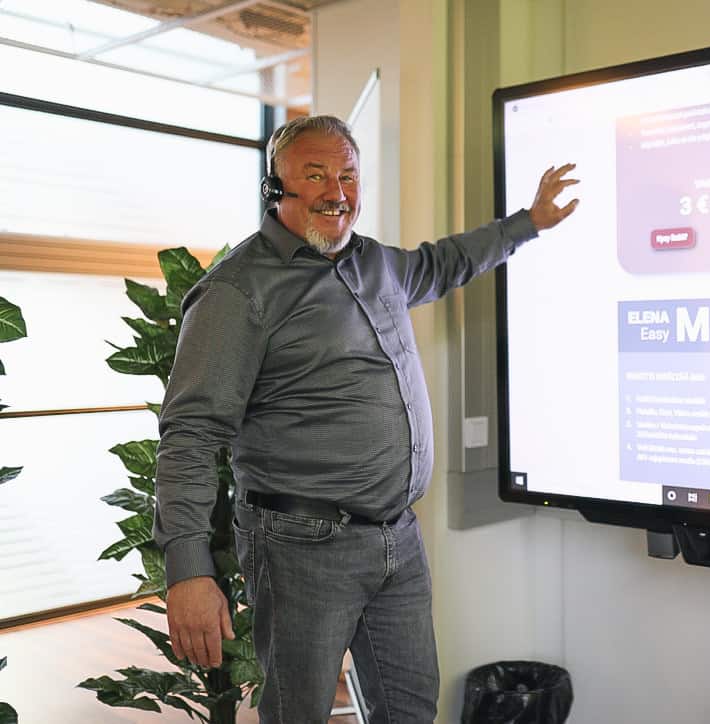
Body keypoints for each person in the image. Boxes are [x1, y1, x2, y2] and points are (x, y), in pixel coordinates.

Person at [154, 114, 578, 724]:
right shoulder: (237, 292)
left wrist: (527, 223)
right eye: (316, 175)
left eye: (348, 175)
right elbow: (190, 436)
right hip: (300, 548)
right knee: (297, 713)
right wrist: (189, 571)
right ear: (275, 188)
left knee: (410, 709)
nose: (337, 192)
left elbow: (445, 262)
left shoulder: (373, 262)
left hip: (397, 538)